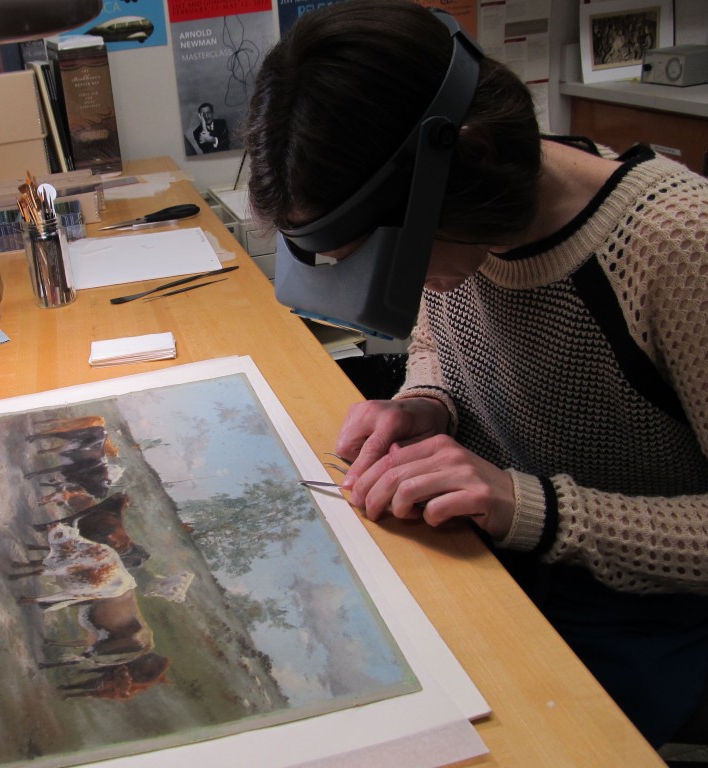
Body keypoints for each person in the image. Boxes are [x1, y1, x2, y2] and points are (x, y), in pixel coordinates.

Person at [243, 0, 708, 749]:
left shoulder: (675, 246)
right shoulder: (470, 225)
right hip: (504, 569)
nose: (415, 285)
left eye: (396, 256)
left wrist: (529, 507)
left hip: (645, 620)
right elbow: (442, 340)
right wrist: (427, 401)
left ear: (471, 157)